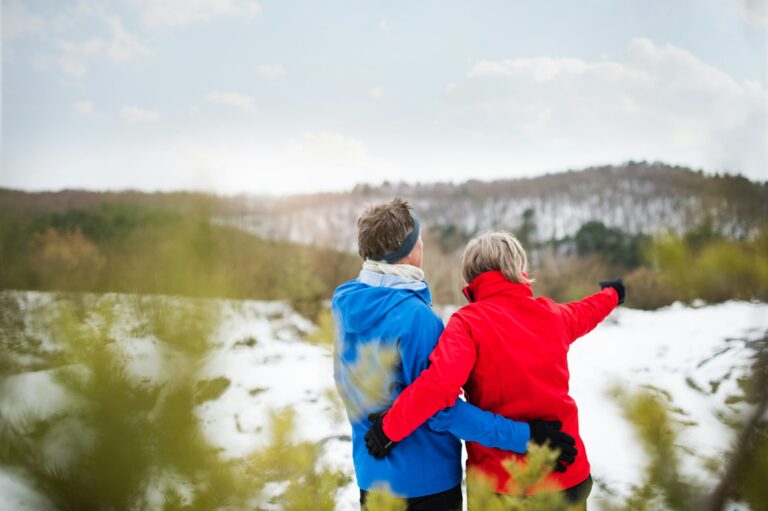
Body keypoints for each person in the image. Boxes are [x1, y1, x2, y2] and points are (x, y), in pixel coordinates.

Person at [332, 200, 576, 511]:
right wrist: (526, 436)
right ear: (408, 252)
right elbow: (440, 408)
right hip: (427, 485)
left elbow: (345, 381)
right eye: (420, 242)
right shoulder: (415, 318)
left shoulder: (344, 303)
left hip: (371, 478)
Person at [364, 231, 626, 509]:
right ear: (518, 267)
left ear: (470, 274)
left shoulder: (468, 323)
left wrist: (388, 430)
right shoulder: (552, 315)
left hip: (502, 488)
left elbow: (439, 390)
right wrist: (613, 293)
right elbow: (587, 310)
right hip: (568, 479)